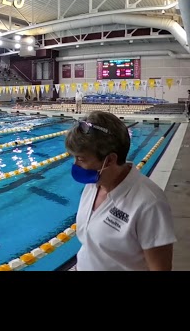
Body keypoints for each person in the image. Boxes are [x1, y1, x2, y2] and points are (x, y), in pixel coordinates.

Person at [64, 110, 176, 271]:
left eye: (81, 159)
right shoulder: (93, 185)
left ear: (109, 160)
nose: (75, 164)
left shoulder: (149, 204)